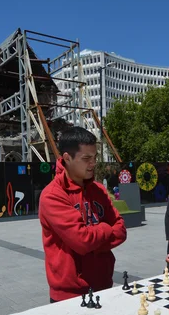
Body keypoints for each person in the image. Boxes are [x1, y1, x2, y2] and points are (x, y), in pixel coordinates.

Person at [39, 127, 127, 303]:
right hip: (68, 294)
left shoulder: (99, 190)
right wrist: (104, 228)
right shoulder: (53, 195)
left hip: (104, 284)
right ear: (67, 158)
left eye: (95, 157)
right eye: (86, 158)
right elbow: (81, 241)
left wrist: (91, 240)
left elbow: (121, 230)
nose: (93, 163)